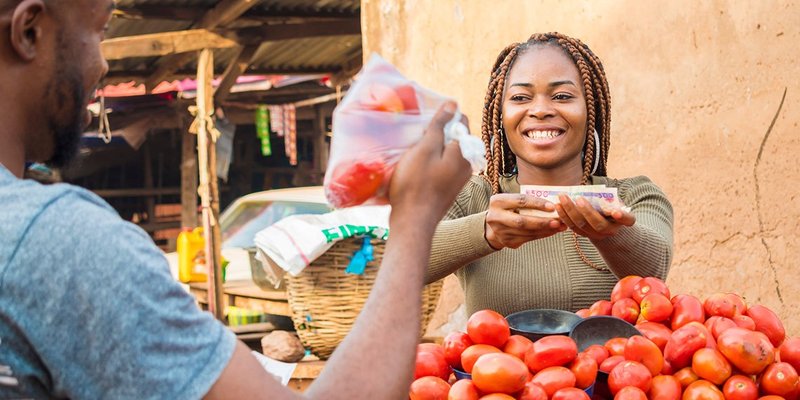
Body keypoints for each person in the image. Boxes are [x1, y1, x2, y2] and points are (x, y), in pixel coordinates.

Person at [0, 1, 471, 399]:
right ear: (29, 30)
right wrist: (414, 219)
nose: (102, 65)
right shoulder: (56, 242)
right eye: (99, 31)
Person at [427, 32, 674, 316]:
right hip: (497, 362)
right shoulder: (473, 197)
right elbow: (397, 261)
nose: (541, 110)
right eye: (520, 97)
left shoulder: (635, 196)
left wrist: (611, 236)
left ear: (589, 110)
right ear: (501, 115)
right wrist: (485, 231)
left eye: (562, 96)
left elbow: (655, 272)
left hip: (613, 362)